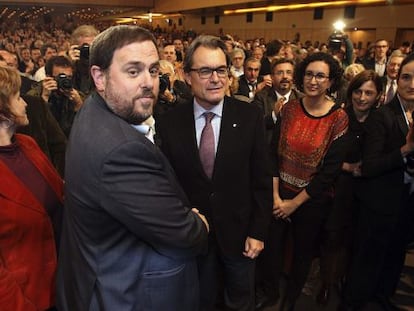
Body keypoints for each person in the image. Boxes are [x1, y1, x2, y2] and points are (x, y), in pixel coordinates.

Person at [56, 25, 209, 311]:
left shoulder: (94, 109)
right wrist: (198, 223)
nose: (149, 82)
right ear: (99, 77)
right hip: (127, 293)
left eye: (152, 70)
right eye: (133, 71)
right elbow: (186, 234)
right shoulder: (120, 150)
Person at [157, 35, 273, 311]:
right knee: (201, 301)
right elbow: (167, 183)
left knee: (240, 300)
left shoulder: (249, 116)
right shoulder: (170, 121)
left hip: (240, 234)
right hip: (194, 237)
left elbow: (261, 180)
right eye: (205, 71)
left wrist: (258, 231)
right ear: (187, 75)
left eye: (221, 70)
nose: (216, 79)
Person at [260, 52, 348, 311]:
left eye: (321, 76)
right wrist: (277, 198)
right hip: (279, 194)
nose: (313, 80)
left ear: (331, 81)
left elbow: (328, 174)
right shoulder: (289, 109)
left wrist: (294, 204)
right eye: (309, 74)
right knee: (272, 250)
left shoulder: (338, 118)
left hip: (311, 201)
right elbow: (273, 153)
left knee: (301, 254)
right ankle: (271, 293)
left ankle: (290, 300)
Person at [341, 53, 414, 311]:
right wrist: (405, 150)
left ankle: (384, 296)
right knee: (366, 260)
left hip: (407, 201)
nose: (412, 84)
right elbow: (370, 166)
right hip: (379, 201)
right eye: (406, 77)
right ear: (397, 79)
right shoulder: (383, 115)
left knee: (394, 256)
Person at [0, 65, 64, 310]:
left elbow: (60, 195)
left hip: (60, 286)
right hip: (23, 299)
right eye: (17, 98)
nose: (26, 104)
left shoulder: (27, 144)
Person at [317, 70, 383, 306]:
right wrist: (346, 167)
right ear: (351, 91)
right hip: (340, 187)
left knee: (356, 239)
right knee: (332, 236)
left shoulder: (380, 120)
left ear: (378, 96)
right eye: (358, 91)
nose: (362, 98)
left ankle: (346, 278)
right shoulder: (340, 117)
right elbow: (322, 154)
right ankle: (326, 281)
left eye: (369, 93)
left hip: (369, 190)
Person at [28, 55, 84, 137]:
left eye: (69, 77)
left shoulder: (75, 95)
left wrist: (79, 106)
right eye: (61, 77)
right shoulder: (34, 96)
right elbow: (35, 128)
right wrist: (44, 99)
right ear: (48, 77)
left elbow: (83, 129)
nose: (65, 81)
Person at [252, 58, 303, 144]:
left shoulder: (301, 99)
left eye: (289, 72)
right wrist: (274, 115)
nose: (285, 76)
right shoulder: (261, 97)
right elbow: (256, 126)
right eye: (280, 73)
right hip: (268, 149)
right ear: (272, 77)